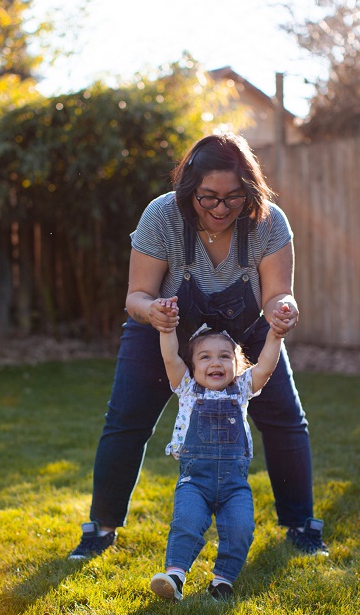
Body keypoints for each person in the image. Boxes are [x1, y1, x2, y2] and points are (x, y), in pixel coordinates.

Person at [68, 132, 328, 561]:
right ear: (189, 188)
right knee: (126, 419)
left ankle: (301, 524)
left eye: (233, 197)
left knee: (285, 418)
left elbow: (278, 294)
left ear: (250, 190)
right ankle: (101, 527)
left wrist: (285, 309)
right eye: (208, 198)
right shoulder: (161, 215)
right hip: (166, 325)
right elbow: (136, 296)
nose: (222, 209)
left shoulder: (269, 221)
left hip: (246, 330)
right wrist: (154, 313)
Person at [150, 302, 291, 602]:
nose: (216, 363)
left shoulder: (241, 389)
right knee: (185, 522)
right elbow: (169, 356)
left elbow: (265, 366)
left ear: (237, 365)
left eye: (225, 356)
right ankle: (175, 576)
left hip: (233, 484)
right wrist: (167, 328)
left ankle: (223, 580)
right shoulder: (186, 387)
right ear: (192, 366)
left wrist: (275, 336)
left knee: (241, 528)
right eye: (205, 357)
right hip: (195, 482)